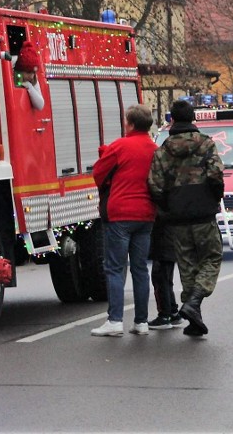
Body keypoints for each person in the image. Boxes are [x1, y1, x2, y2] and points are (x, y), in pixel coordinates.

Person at [148, 99, 225, 337]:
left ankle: (194, 318)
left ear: (172, 119)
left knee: (187, 265)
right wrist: (213, 198)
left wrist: (168, 207)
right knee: (212, 257)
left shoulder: (162, 150)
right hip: (203, 212)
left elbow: (155, 185)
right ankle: (194, 301)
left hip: (176, 216)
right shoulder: (206, 144)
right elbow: (215, 175)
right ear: (193, 119)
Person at [91, 104, 158, 337]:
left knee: (115, 268)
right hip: (146, 214)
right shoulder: (154, 148)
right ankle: (141, 322)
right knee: (140, 268)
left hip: (120, 214)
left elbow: (98, 173)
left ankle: (115, 320)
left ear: (129, 123)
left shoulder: (119, 146)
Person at [147, 216, 185, 330]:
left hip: (163, 238)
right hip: (172, 237)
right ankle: (173, 312)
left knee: (160, 278)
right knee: (166, 279)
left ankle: (164, 315)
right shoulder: (175, 200)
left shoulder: (163, 201)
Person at [13, 40, 44, 110]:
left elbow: (40, 105)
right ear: (19, 70)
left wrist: (29, 86)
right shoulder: (12, 70)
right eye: (28, 72)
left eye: (33, 73)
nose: (31, 76)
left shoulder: (33, 79)